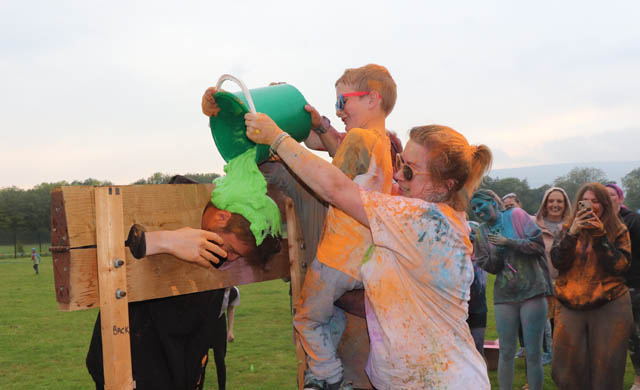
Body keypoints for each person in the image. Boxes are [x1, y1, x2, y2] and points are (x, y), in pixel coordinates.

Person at [243, 113, 491, 388]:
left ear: (446, 185)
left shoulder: (423, 221)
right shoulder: (426, 221)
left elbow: (336, 188)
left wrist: (277, 138)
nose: (398, 174)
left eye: (409, 170)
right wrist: (331, 295)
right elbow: (396, 299)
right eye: (399, 162)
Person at [203, 64, 396, 390]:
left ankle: (328, 377)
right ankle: (325, 372)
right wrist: (310, 122)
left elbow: (331, 180)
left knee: (307, 317)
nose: (338, 111)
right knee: (325, 319)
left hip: (339, 261)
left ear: (372, 99)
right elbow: (334, 154)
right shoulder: (377, 145)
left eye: (343, 102)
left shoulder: (360, 141)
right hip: (361, 265)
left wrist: (278, 138)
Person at [86, 176, 281, 390]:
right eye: (233, 249)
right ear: (222, 218)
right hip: (136, 359)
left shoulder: (223, 253)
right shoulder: (167, 208)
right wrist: (164, 241)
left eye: (239, 256)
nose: (231, 258)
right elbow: (110, 253)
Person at [550, 182, 632, 390]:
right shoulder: (567, 228)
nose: (591, 205)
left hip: (609, 303)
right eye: (586, 201)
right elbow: (558, 262)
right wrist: (572, 234)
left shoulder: (618, 229)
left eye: (596, 201)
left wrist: (600, 237)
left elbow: (620, 266)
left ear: (604, 204)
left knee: (607, 368)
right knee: (567, 367)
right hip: (570, 303)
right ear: (578, 204)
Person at [471, 189, 553, 390]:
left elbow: (538, 246)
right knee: (506, 352)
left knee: (533, 353)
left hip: (532, 290)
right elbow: (489, 267)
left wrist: (509, 242)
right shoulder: (481, 231)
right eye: (474, 208)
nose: (478, 210)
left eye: (481, 204)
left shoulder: (515, 215)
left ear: (493, 201)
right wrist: (498, 252)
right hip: (504, 297)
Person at [606, 183, 640, 390]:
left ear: (620, 197)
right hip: (606, 288)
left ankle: (638, 379)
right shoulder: (598, 221)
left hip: (633, 286)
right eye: (604, 195)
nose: (608, 198)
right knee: (614, 338)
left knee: (634, 335)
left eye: (612, 195)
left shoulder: (633, 220)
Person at [534, 186, 572, 365]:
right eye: (551, 201)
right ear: (545, 203)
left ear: (565, 204)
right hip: (541, 283)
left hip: (567, 284)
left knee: (564, 323)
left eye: (559, 201)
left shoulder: (572, 226)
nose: (555, 204)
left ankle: (563, 354)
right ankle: (548, 353)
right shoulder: (534, 225)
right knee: (544, 323)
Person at [210, 285, 240, 390]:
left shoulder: (234, 292)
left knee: (220, 358)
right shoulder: (212, 290)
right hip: (204, 322)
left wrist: (230, 331)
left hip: (219, 322)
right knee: (200, 357)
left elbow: (230, 309)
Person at [467, 221, 487, 357]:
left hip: (478, 309)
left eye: (475, 234)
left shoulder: (483, 257)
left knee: (478, 352)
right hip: (459, 310)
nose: (471, 237)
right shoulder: (456, 256)